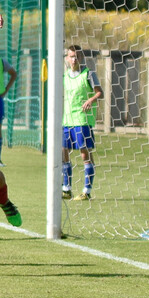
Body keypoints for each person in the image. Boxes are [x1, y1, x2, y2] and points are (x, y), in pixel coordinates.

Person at [62, 44, 102, 200]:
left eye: (77, 56)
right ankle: (66, 189)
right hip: (67, 119)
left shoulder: (88, 74)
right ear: (67, 58)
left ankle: (86, 190)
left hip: (82, 120)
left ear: (82, 58)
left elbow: (100, 92)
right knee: (63, 151)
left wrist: (90, 100)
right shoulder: (64, 76)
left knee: (84, 153)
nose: (74, 59)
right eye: (71, 56)